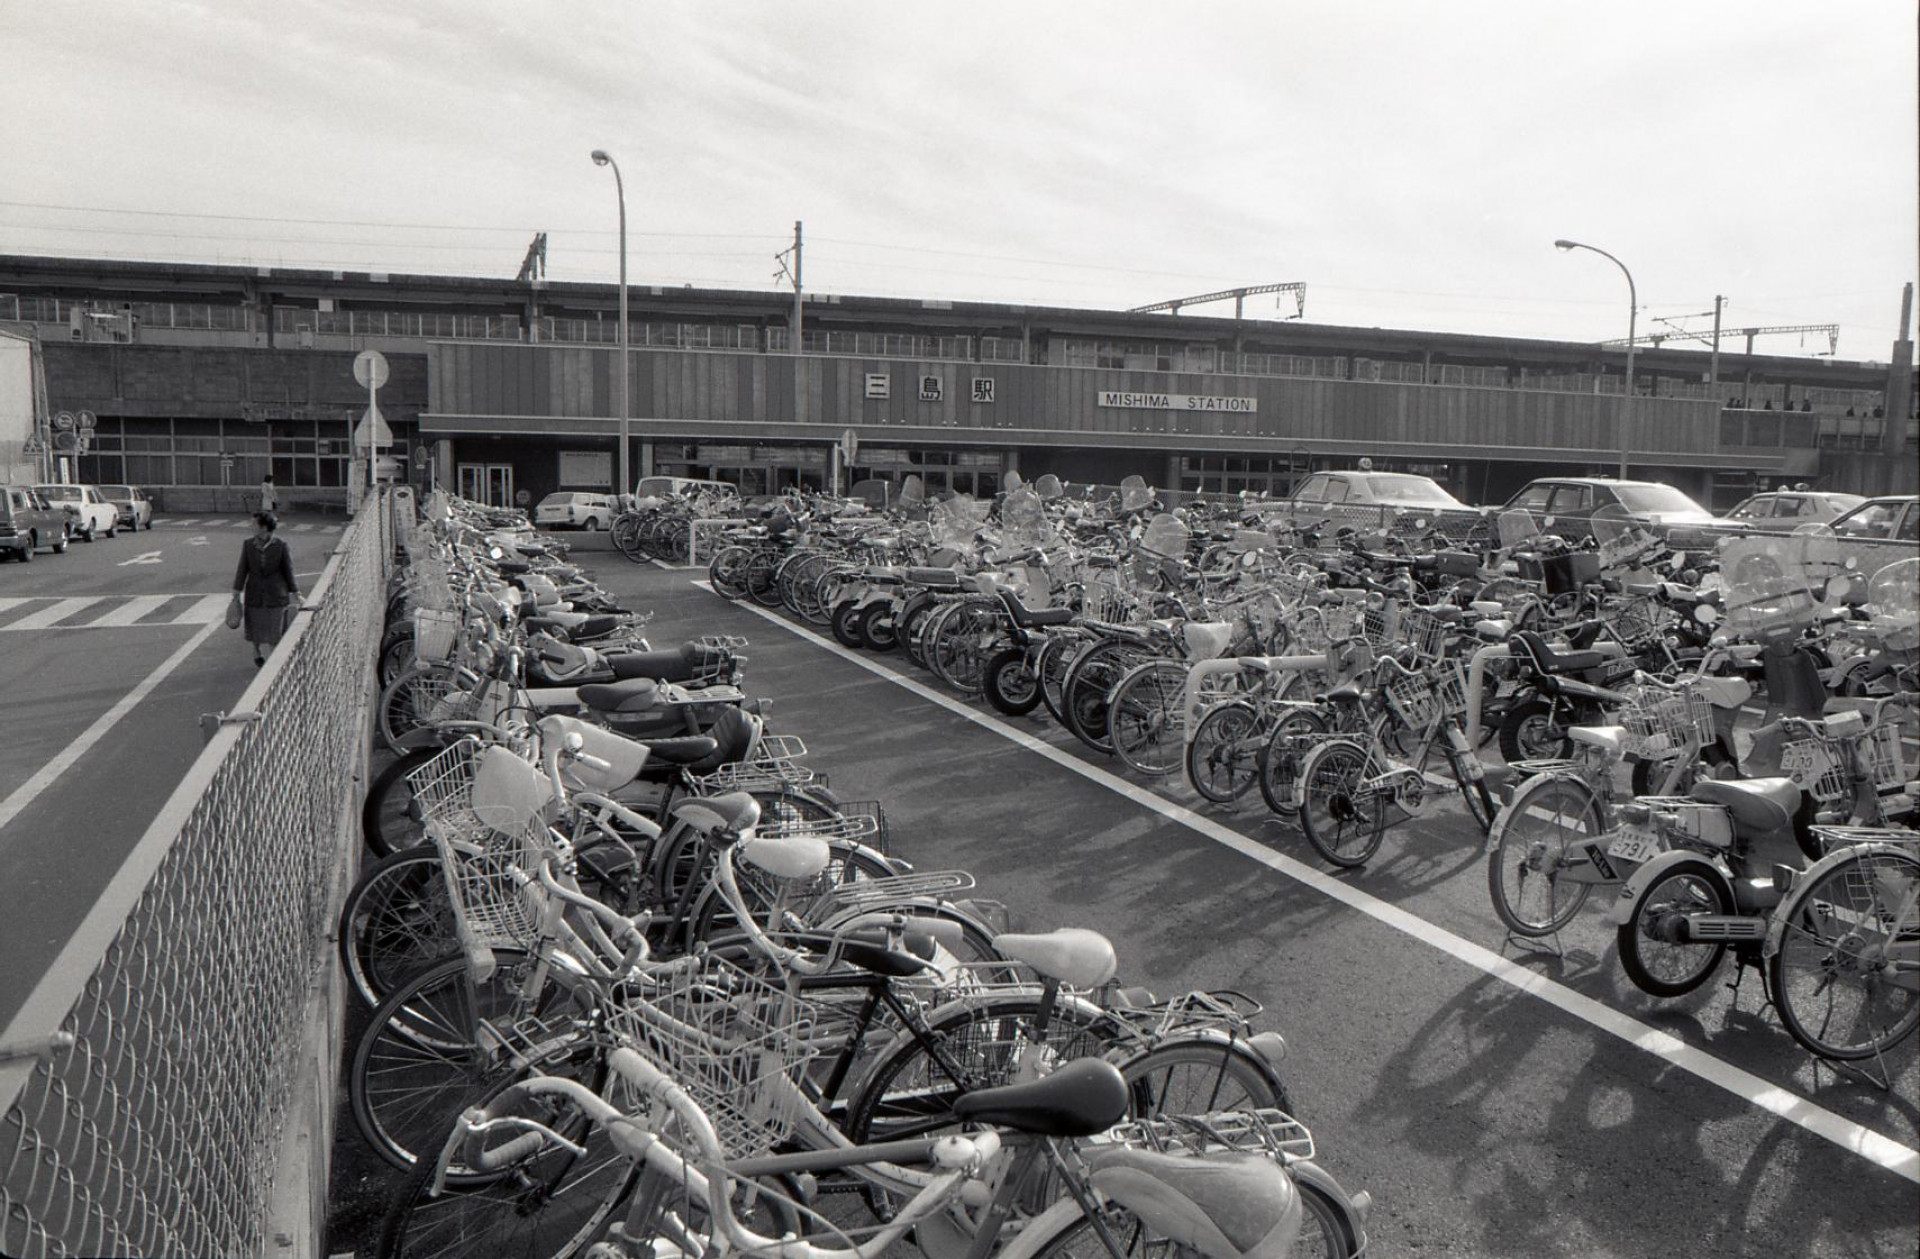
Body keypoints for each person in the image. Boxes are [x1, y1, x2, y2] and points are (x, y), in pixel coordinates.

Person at [231, 512, 299, 667]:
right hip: (255, 593)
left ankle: (274, 663)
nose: (251, 527)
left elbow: (288, 570)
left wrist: (295, 592)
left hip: (276, 594)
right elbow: (243, 568)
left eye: (254, 524)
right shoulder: (248, 545)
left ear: (264, 527)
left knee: (275, 631)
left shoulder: (281, 546)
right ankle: (256, 651)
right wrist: (236, 590)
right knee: (255, 626)